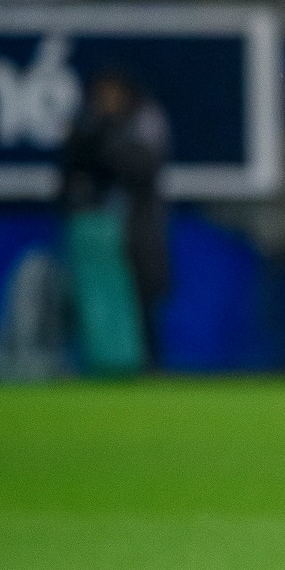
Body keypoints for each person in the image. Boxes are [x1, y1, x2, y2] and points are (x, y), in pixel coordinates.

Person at [57, 68, 171, 369]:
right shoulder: (90, 121)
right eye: (101, 92)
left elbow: (140, 166)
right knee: (90, 304)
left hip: (136, 233)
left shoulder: (143, 118)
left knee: (142, 306)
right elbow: (71, 172)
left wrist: (101, 143)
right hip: (94, 235)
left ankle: (147, 370)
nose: (106, 99)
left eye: (112, 91)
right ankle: (94, 365)